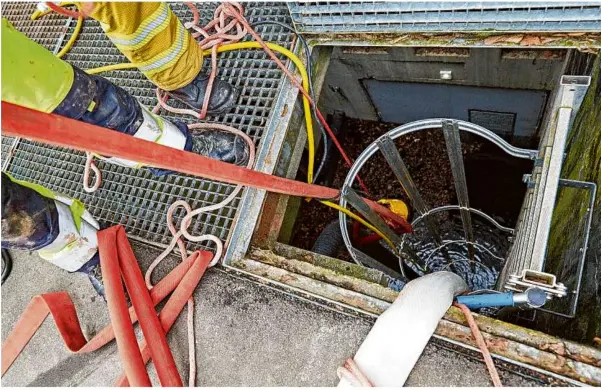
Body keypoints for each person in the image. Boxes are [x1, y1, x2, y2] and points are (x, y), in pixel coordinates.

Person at [0, 2, 251, 292]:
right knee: (11, 219)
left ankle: (179, 114)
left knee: (93, 106)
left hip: (18, 74)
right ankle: (88, 254)